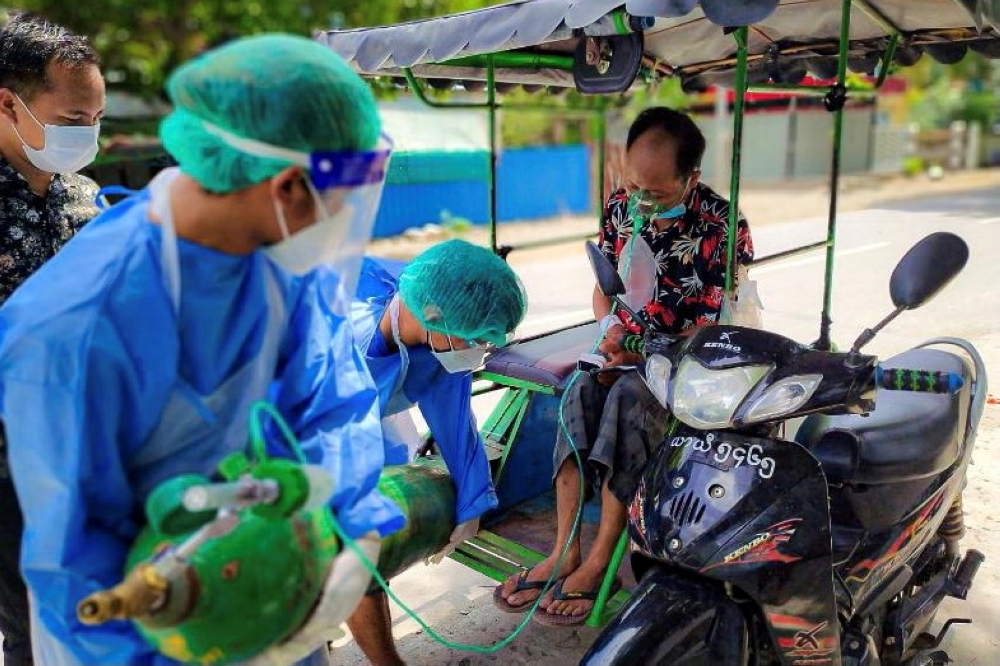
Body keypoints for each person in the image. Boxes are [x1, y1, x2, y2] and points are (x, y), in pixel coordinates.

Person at [0, 34, 404, 664]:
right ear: (290, 186)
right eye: (337, 202)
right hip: (145, 630)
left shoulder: (282, 265)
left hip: (270, 578)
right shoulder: (71, 323)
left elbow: (331, 404)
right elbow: (75, 559)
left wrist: (346, 532)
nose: (334, 226)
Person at [494, 106, 754, 626]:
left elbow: (715, 324)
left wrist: (641, 352)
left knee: (625, 405)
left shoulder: (723, 227)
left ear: (691, 178)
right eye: (633, 185)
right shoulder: (619, 206)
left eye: (655, 193)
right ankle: (564, 550)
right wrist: (611, 333)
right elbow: (605, 286)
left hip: (688, 361)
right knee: (578, 394)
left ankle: (599, 562)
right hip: (624, 346)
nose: (639, 201)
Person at [343, 240, 527, 665]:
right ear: (431, 318)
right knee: (349, 543)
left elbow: (457, 423)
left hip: (365, 399)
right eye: (475, 339)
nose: (479, 350)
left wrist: (472, 503)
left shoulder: (439, 323)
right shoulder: (337, 343)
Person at [0, 11, 104, 665]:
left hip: (86, 452)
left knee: (93, 614)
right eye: (72, 122)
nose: (87, 136)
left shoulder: (86, 200)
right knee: (30, 627)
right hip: (7, 469)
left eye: (94, 121)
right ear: (8, 103)